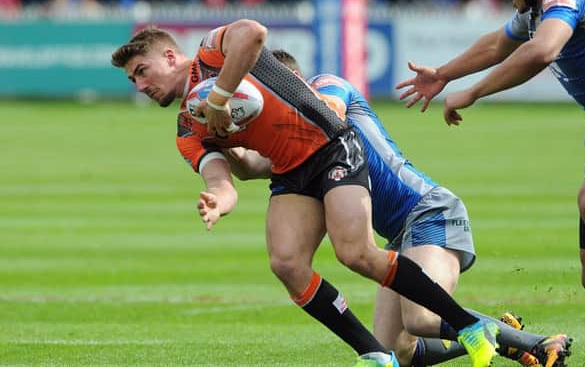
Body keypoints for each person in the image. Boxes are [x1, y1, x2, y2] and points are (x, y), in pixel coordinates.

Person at [111, 19, 500, 367]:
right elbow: (227, 178)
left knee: (356, 253)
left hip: (330, 144)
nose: (141, 86)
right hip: (290, 172)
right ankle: (375, 355)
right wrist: (218, 203)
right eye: (133, 81)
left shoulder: (212, 52)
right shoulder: (187, 130)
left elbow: (253, 33)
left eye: (142, 72)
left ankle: (468, 326)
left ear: (169, 55)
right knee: (286, 263)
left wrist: (218, 97)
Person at [226, 49, 572, 367]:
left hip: (429, 211)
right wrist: (221, 137)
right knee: (400, 352)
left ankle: (540, 343)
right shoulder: (294, 146)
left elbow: (329, 111)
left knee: (420, 319)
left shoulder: (327, 85)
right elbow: (250, 168)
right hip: (399, 237)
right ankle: (501, 335)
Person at [396, 0, 585, 328]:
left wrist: (475, 91)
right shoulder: (536, 8)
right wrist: (443, 74)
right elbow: (496, 43)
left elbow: (543, 50)